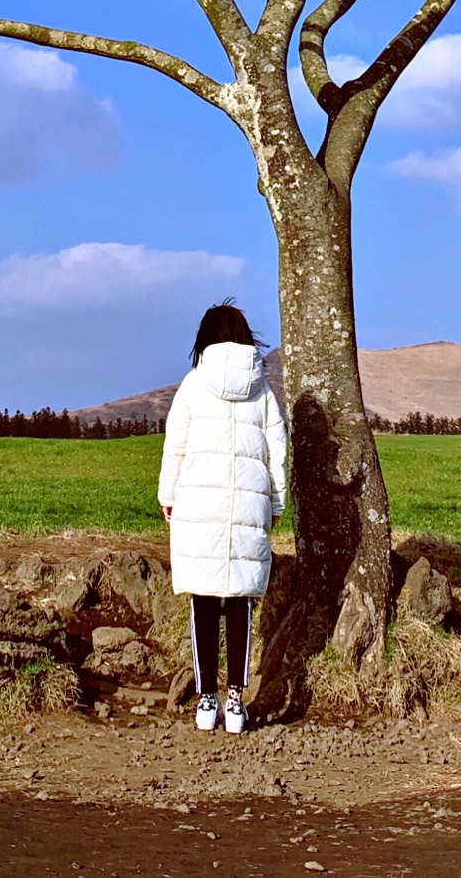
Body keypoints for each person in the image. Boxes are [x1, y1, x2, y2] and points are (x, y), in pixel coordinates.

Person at [156, 300, 288, 734]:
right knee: (240, 601)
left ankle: (206, 701)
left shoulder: (193, 385)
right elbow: (277, 453)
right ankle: (236, 701)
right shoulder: (263, 391)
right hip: (249, 505)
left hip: (198, 506)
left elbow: (175, 445)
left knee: (204, 599)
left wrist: (168, 495)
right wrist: (277, 504)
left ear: (205, 339)